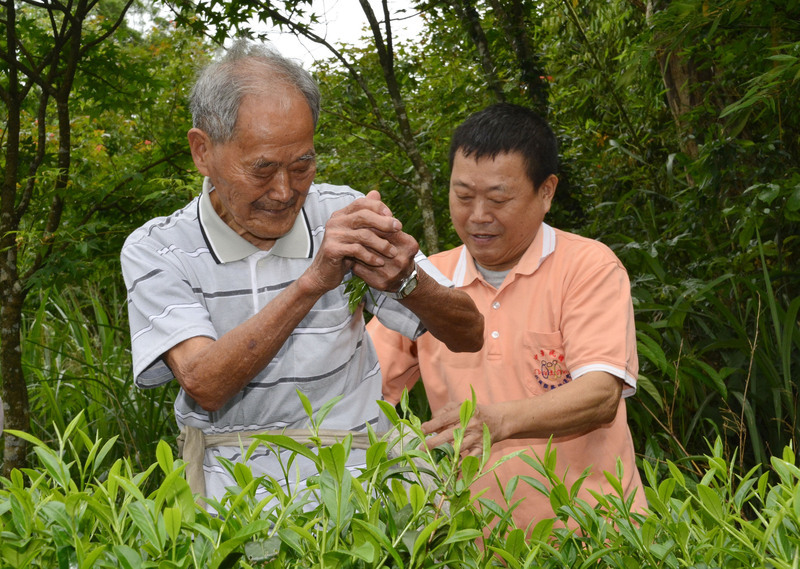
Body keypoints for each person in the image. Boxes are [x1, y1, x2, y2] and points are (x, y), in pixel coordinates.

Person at [120, 40, 483, 505]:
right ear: (202, 151)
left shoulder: (342, 215)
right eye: (263, 168)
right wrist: (313, 282)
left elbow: (470, 332)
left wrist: (406, 280)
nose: (284, 190)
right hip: (231, 503)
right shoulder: (159, 249)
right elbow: (204, 383)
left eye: (302, 164)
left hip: (362, 493)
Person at [367, 103, 647, 531]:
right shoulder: (424, 284)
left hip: (590, 536)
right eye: (462, 196)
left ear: (547, 191)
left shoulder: (588, 267)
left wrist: (497, 421)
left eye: (498, 198)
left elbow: (600, 394)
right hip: (473, 544)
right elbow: (360, 386)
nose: (477, 215)